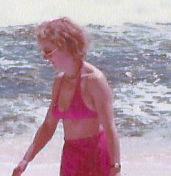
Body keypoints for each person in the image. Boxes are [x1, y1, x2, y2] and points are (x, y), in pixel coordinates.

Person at [13, 18, 122, 176]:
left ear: (64, 46)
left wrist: (115, 167)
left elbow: (109, 127)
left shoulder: (94, 81)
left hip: (96, 157)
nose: (45, 58)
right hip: (71, 158)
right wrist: (25, 160)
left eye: (48, 52)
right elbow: (48, 126)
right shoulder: (59, 82)